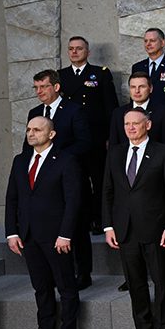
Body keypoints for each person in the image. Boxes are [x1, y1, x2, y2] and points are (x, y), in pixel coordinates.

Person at [102, 108, 165, 329]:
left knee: (160, 282)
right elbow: (107, 192)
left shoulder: (163, 152)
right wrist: (108, 226)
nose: (131, 128)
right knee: (135, 283)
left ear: (148, 125)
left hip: (155, 229)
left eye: (136, 123)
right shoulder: (115, 153)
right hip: (125, 230)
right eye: (127, 124)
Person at [6, 117, 83, 329]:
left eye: (37, 130)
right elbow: (12, 198)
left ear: (51, 134)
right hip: (28, 235)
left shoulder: (66, 160)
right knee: (41, 287)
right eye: (28, 129)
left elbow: (73, 200)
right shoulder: (20, 161)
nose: (31, 133)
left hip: (56, 236)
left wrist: (65, 234)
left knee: (66, 286)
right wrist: (11, 232)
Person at [26, 69, 94, 289]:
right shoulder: (35, 112)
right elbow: (29, 146)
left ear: (56, 87)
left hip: (69, 177)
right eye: (36, 87)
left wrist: (56, 159)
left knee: (77, 226)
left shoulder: (74, 110)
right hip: (43, 183)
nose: (39, 91)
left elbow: (85, 142)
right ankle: (56, 274)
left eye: (43, 86)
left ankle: (83, 273)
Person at [58, 36, 118, 236]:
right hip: (72, 139)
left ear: (88, 52)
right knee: (76, 181)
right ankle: (81, 220)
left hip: (96, 137)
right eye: (71, 49)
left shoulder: (100, 73)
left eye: (79, 48)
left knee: (99, 180)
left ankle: (100, 220)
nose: (74, 52)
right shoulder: (61, 76)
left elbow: (110, 106)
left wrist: (111, 136)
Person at [110, 72, 165, 149]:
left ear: (150, 88)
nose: (137, 91)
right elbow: (113, 146)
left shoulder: (163, 113)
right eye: (133, 87)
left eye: (142, 87)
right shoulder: (118, 113)